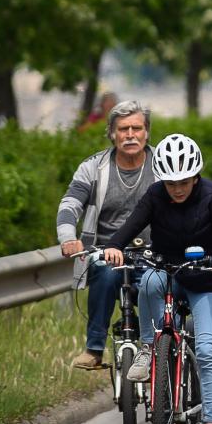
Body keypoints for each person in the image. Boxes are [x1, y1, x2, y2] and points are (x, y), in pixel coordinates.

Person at [103, 134, 212, 424]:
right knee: (149, 280)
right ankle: (150, 349)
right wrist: (114, 246)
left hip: (204, 277)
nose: (177, 188)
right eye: (170, 183)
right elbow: (133, 223)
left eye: (183, 181)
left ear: (195, 176)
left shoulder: (211, 195)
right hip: (166, 271)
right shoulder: (155, 195)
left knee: (207, 350)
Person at [57, 100, 157, 370]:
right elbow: (69, 205)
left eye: (137, 128)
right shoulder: (93, 168)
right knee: (106, 271)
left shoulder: (163, 165)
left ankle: (163, 347)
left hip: (155, 253)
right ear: (112, 133)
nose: (130, 135)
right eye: (123, 129)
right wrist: (68, 237)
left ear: (147, 132)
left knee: (157, 283)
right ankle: (94, 349)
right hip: (107, 253)